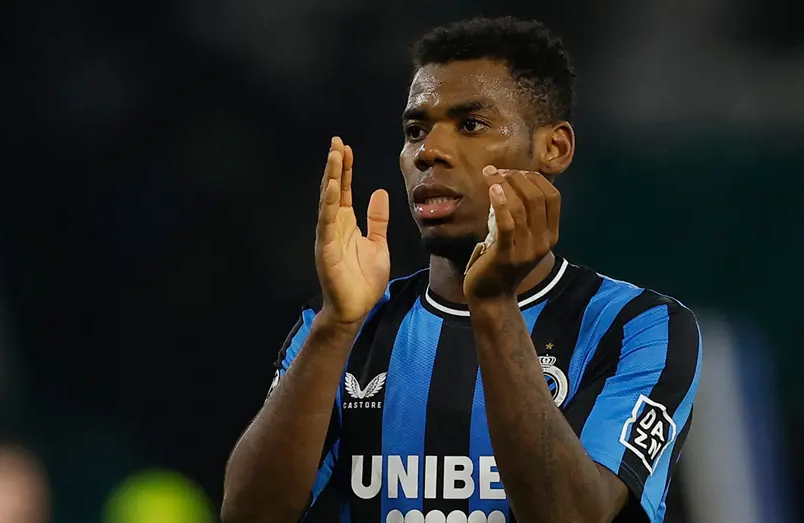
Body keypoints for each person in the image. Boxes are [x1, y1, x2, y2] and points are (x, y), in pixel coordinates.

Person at [222, 16, 701, 523]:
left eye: (471, 125)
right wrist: (335, 327)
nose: (429, 151)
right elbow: (249, 516)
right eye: (415, 131)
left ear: (553, 148)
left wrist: (494, 304)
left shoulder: (637, 328)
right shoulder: (342, 325)